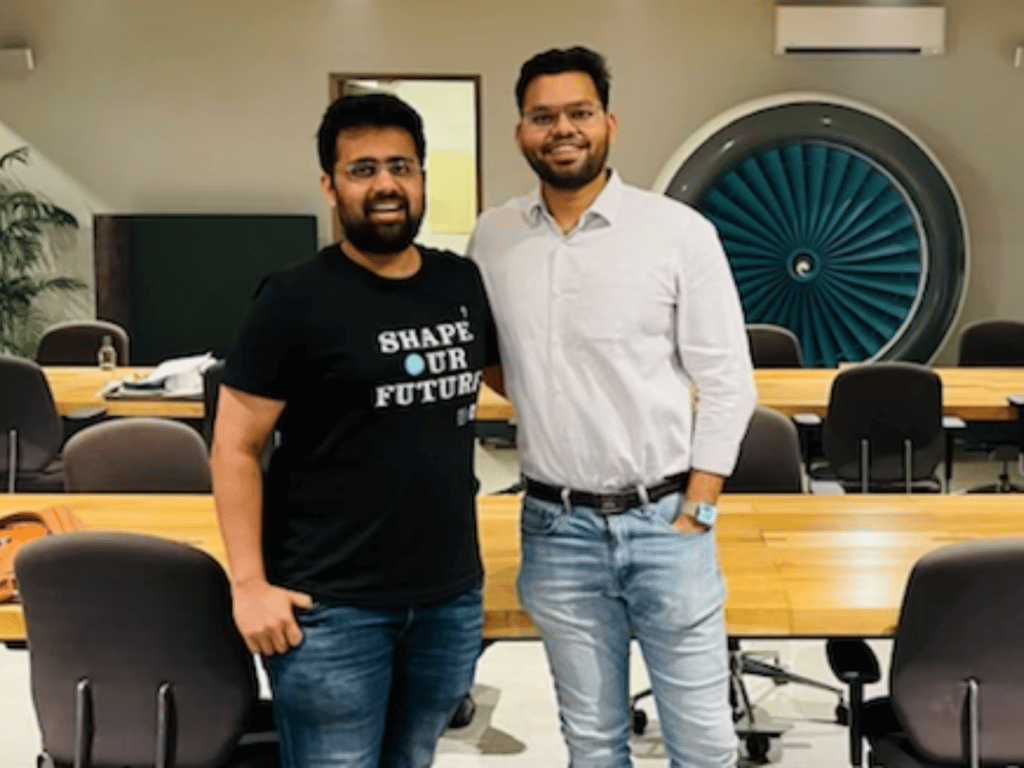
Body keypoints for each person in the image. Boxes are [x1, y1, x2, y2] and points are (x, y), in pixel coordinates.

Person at [468, 47, 756, 768]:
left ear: (609, 124)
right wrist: (545, 394)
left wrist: (699, 507)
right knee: (593, 744)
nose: (562, 129)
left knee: (705, 746)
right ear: (521, 132)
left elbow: (729, 380)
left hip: (666, 522)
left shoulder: (677, 232)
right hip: (555, 528)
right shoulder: (494, 237)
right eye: (543, 117)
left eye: (580, 112)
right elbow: (492, 356)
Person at [212, 92, 498, 768]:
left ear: (422, 177)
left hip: (447, 598)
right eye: (362, 170)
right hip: (331, 607)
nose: (385, 184)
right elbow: (235, 447)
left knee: (413, 759)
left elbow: (522, 380)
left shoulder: (460, 282)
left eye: (401, 166)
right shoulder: (293, 297)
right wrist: (249, 585)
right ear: (330, 185)